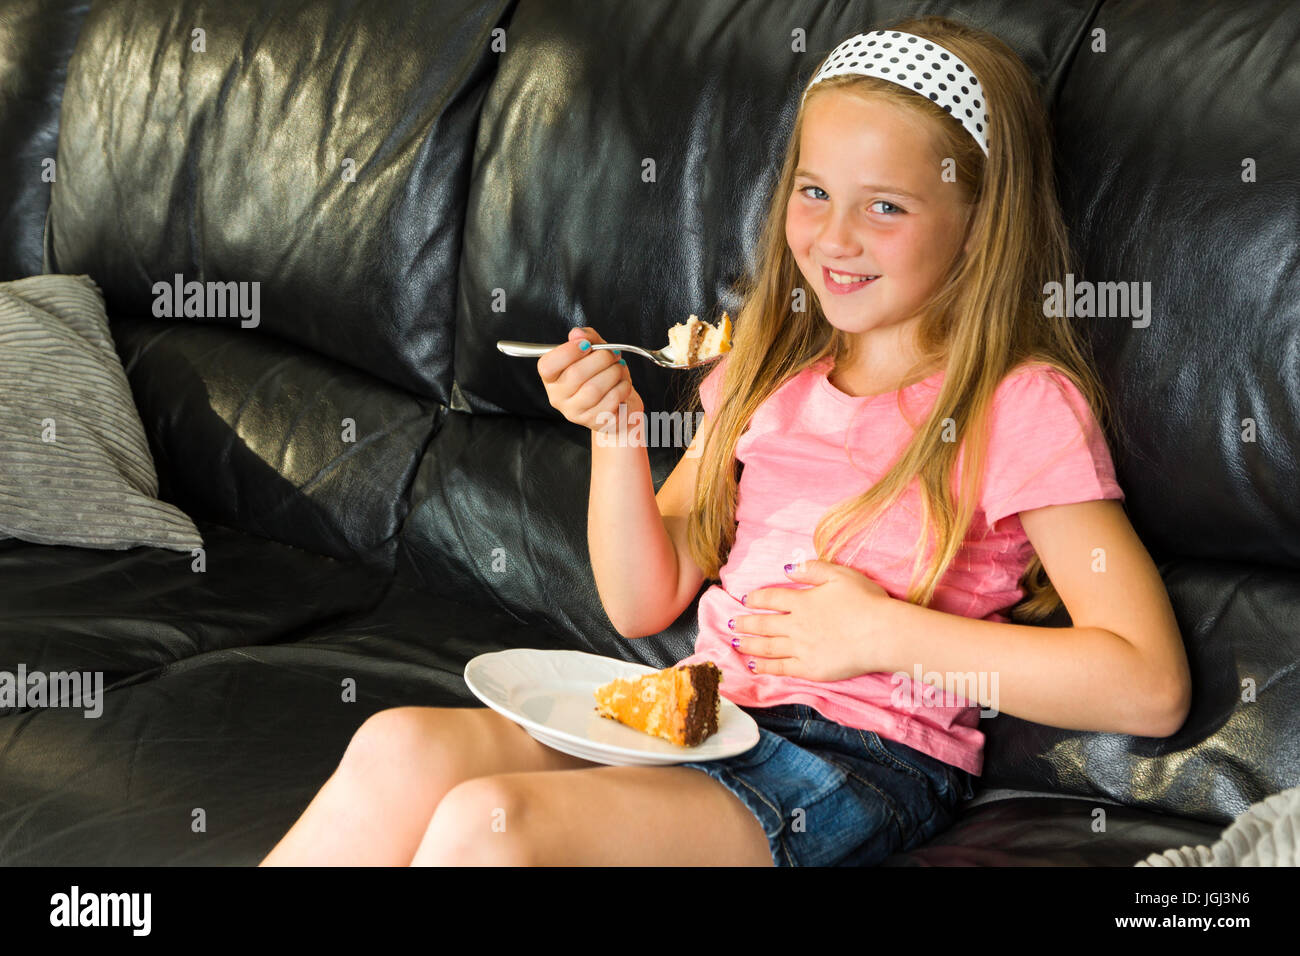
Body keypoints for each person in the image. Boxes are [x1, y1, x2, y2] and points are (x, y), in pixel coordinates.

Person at [260, 14, 1191, 867]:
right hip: (700, 710)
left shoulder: (1017, 403)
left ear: (978, 222)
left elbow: (1147, 684)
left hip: (855, 760)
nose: (833, 237)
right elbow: (641, 597)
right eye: (815, 192)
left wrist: (883, 631)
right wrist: (619, 436)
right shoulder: (763, 375)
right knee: (399, 746)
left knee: (493, 826)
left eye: (886, 207)